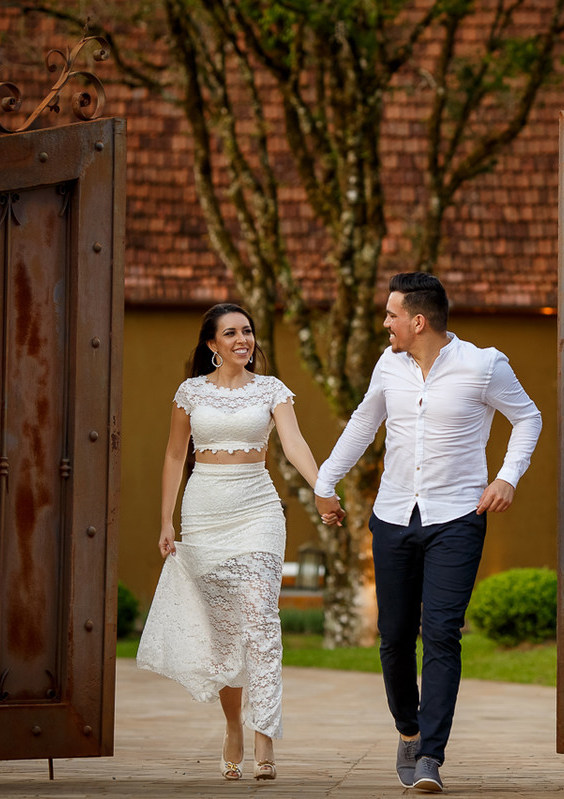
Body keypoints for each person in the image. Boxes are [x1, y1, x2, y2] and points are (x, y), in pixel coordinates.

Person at [313, 272, 542, 793]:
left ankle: (430, 758)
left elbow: (528, 418)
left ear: (418, 321)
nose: (385, 323)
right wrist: (326, 482)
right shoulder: (387, 366)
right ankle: (409, 729)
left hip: (458, 518)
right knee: (393, 638)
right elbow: (362, 425)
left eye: (391, 314)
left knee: (441, 633)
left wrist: (507, 477)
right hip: (393, 515)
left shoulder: (484, 365)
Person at [136, 303, 339, 782]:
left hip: (258, 513)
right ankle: (233, 725)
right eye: (231, 333)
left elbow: (294, 444)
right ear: (212, 345)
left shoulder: (272, 390)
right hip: (204, 514)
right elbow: (172, 456)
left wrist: (321, 487)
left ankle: (264, 734)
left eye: (247, 331)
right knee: (223, 632)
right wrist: (165, 520)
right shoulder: (189, 393)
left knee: (262, 623)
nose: (242, 339)